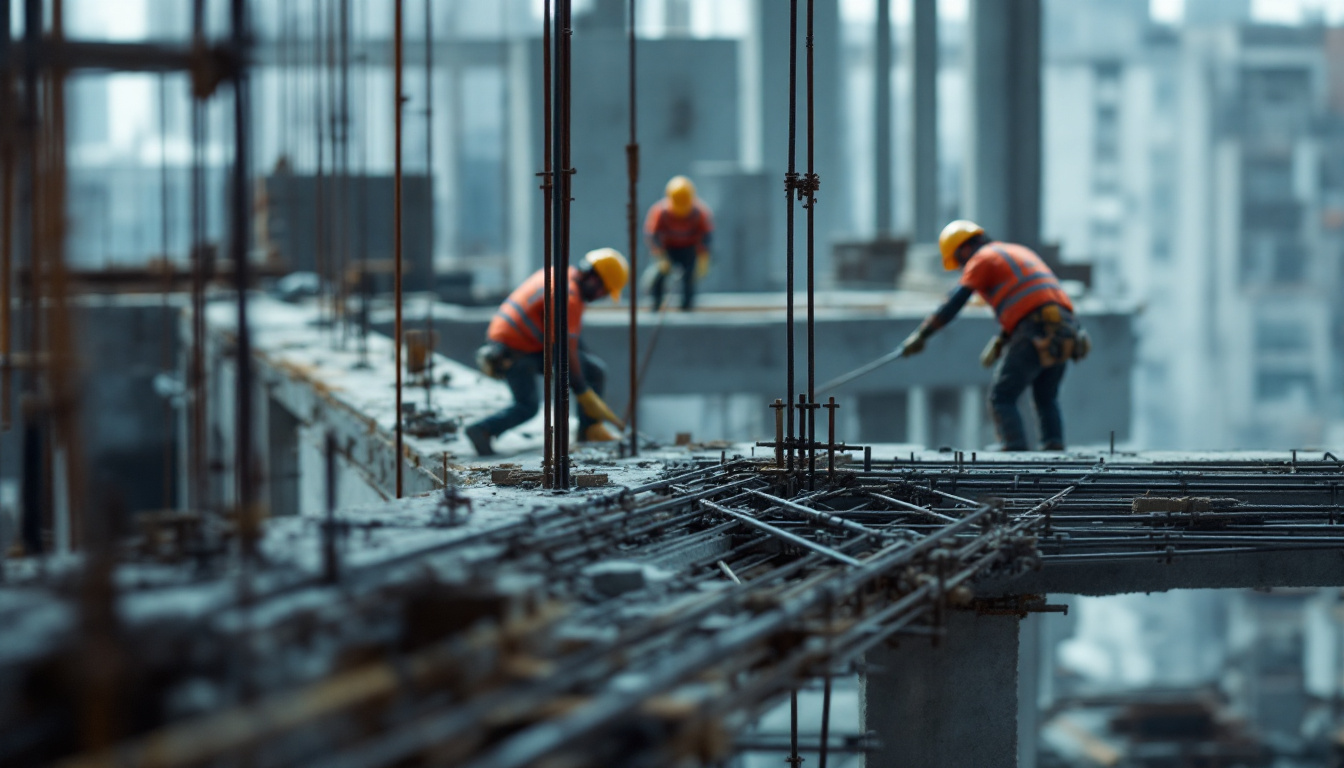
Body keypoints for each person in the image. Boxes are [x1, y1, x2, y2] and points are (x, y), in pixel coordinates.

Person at [898, 220, 1090, 451]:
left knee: (1002, 396)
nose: (962, 268)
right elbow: (1031, 299)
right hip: (1066, 329)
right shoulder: (1016, 251)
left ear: (964, 249)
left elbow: (954, 302)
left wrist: (922, 335)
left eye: (960, 262)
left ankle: (1014, 446)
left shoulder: (982, 259)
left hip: (1035, 328)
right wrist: (1004, 339)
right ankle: (1053, 444)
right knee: (1046, 396)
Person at [465, 248, 629, 456]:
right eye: (603, 292)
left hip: (511, 345)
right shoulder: (569, 297)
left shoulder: (560, 275)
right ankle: (481, 430)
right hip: (516, 352)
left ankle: (589, 429)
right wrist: (583, 392)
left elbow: (569, 338)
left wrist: (583, 375)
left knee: (592, 369)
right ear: (594, 280)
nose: (600, 297)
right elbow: (565, 351)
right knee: (527, 406)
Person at [644, 175, 714, 311]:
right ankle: (655, 302)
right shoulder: (660, 212)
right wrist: (659, 255)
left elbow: (707, 235)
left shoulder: (700, 213)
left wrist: (704, 255)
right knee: (659, 275)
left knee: (689, 276)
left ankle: (687, 305)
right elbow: (652, 235)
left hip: (689, 249)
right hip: (668, 249)